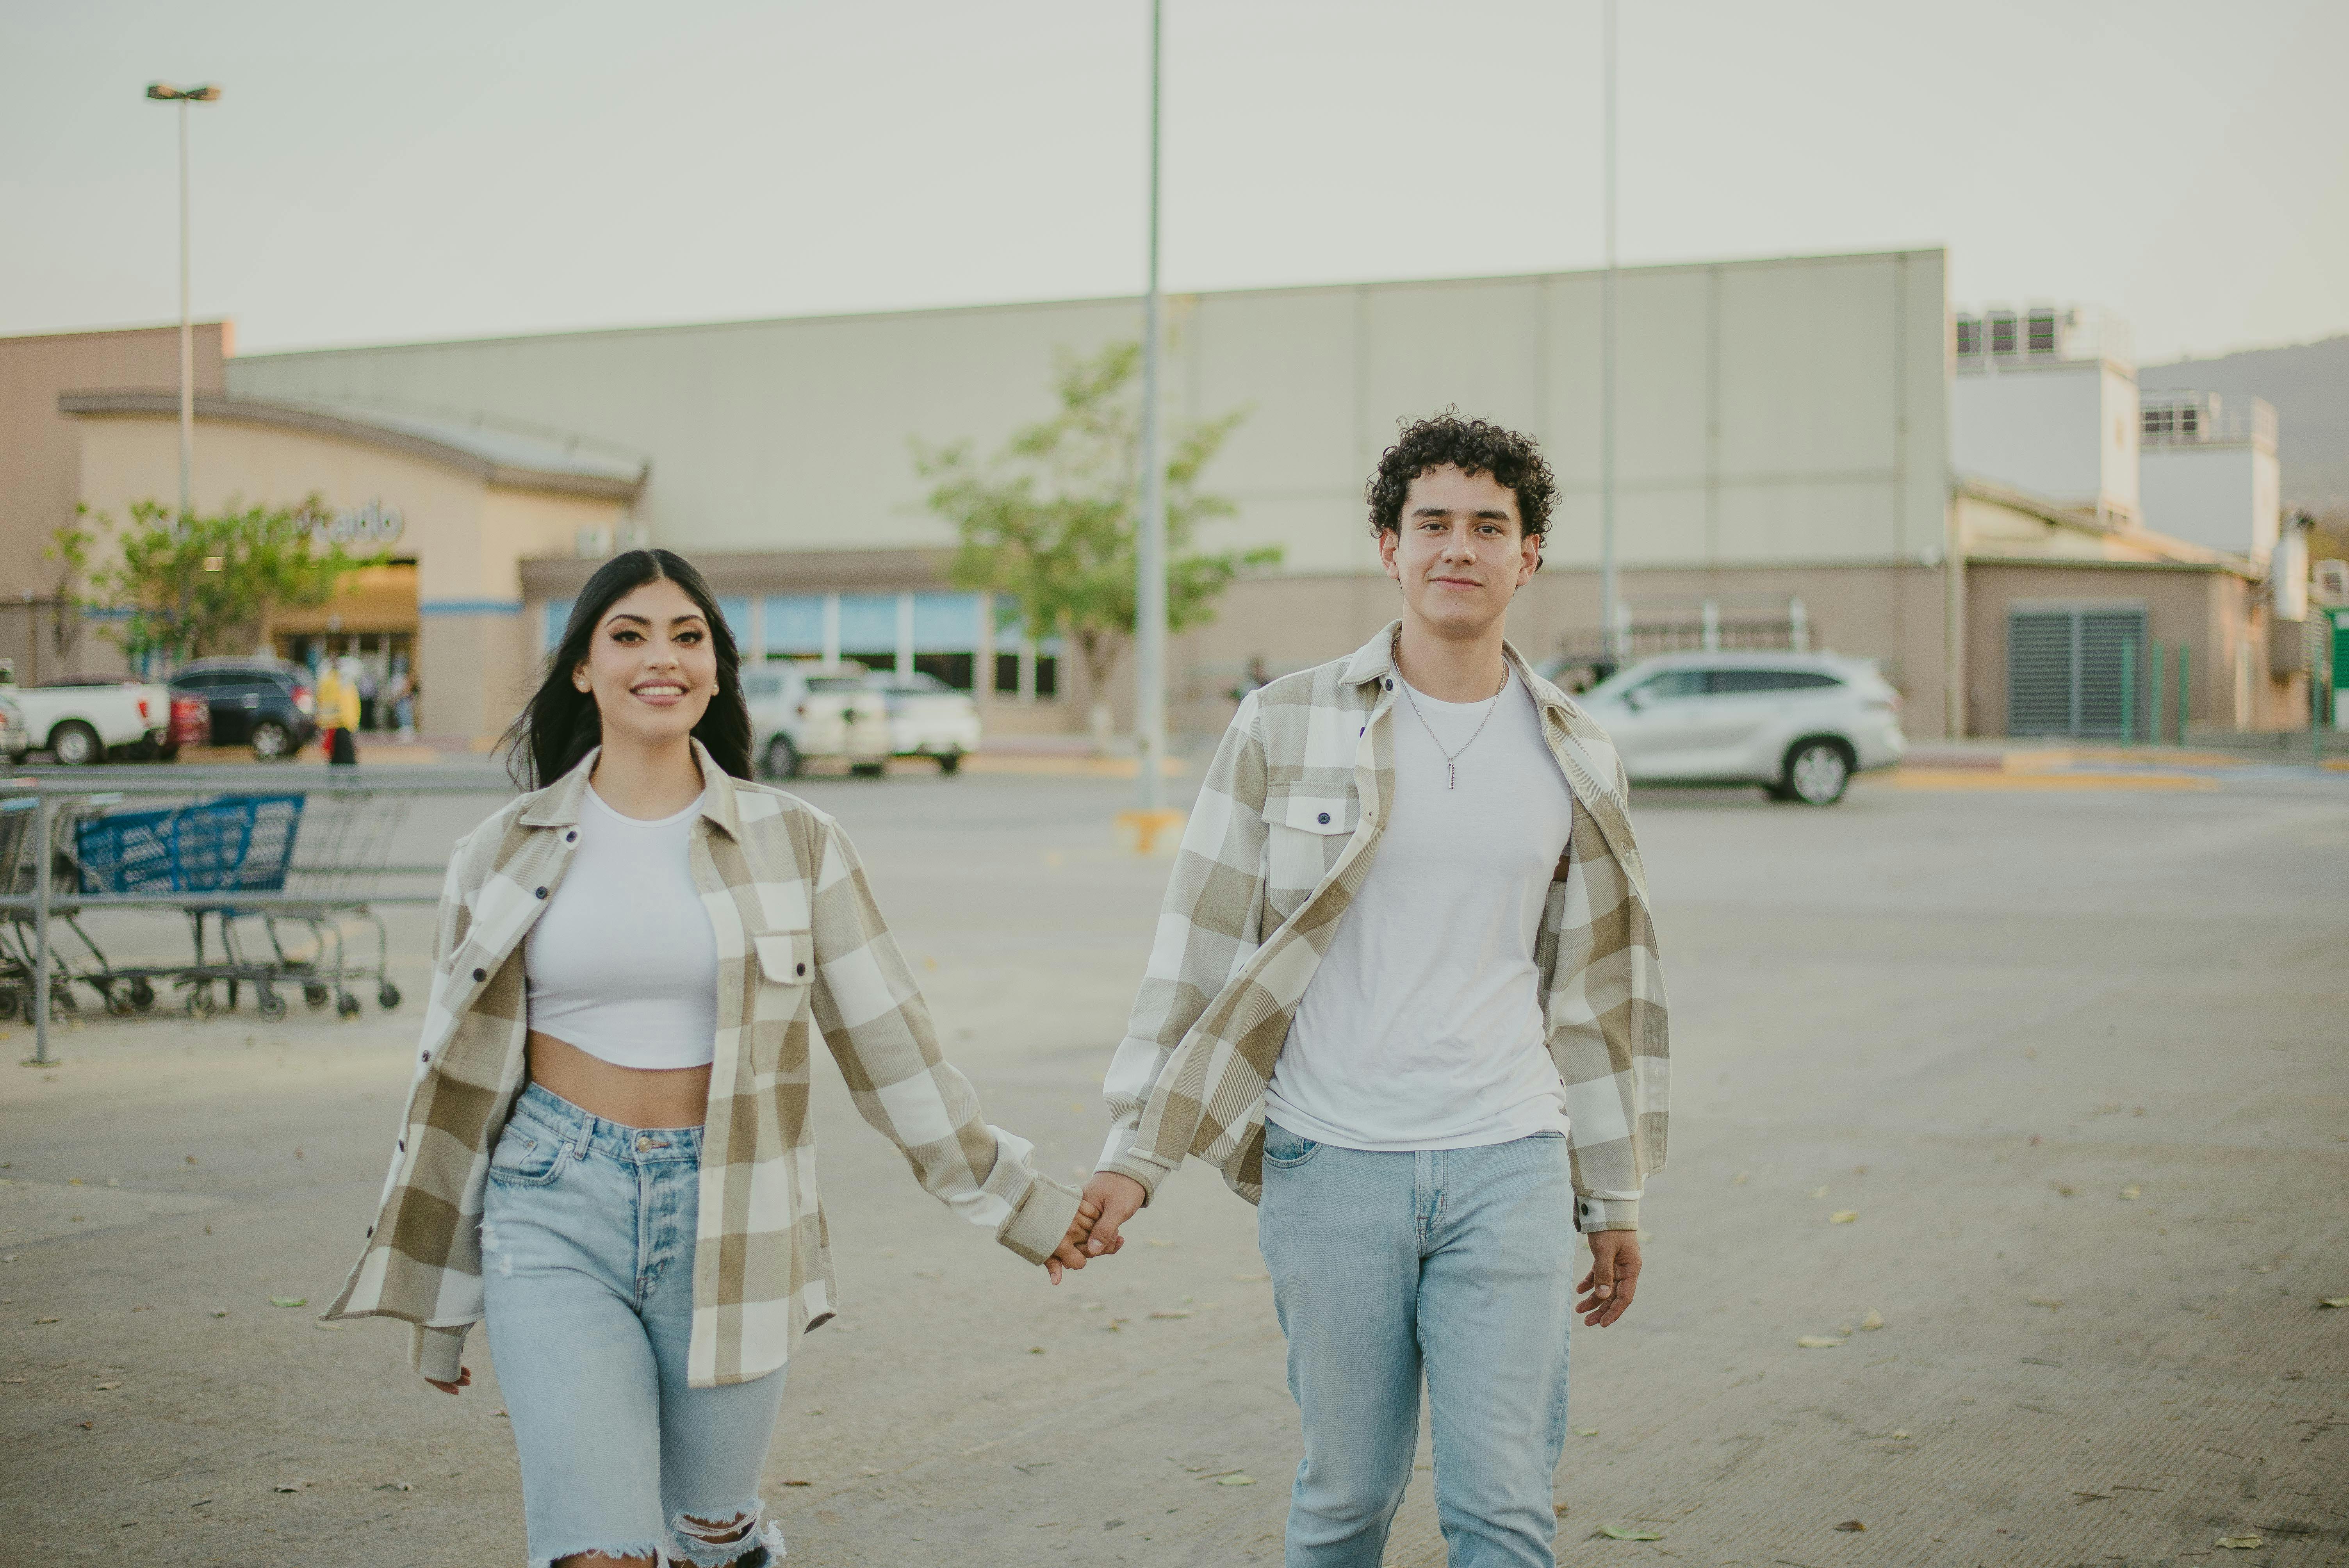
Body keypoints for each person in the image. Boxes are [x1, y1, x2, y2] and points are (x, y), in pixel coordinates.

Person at [323, 548, 1097, 1568]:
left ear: (719, 670)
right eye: (630, 635)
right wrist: (442, 1306)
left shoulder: (797, 843)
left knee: (706, 1517)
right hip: (551, 1199)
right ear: (582, 671)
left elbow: (892, 1050)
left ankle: (731, 1539)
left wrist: (1022, 1207)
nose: (664, 657)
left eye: (689, 636)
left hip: (735, 1204)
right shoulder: (497, 851)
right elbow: (449, 1089)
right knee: (602, 1550)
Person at [1080, 414, 1670, 1567]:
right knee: (1345, 1502)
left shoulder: (1579, 751)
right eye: (1433, 523)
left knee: (1502, 1511)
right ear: (1389, 547)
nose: (1459, 547)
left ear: (1529, 556)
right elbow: (1198, 946)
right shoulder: (1284, 721)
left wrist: (1614, 1193)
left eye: (1488, 526)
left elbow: (1597, 992)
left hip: (1508, 1155)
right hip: (1329, 1160)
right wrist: (1134, 1153)